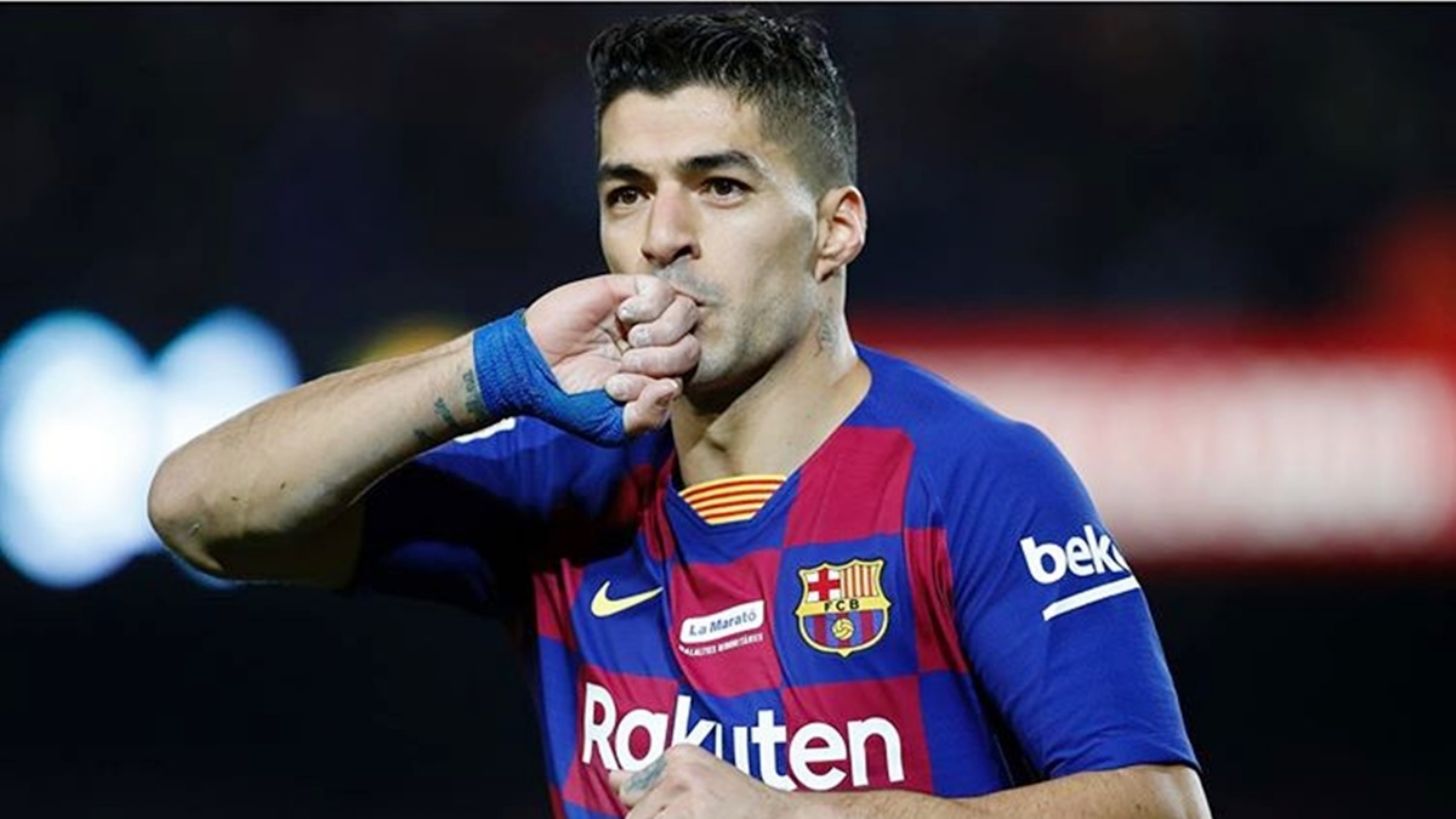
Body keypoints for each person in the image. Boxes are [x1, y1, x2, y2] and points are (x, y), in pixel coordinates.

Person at [148, 10, 1210, 818]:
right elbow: (196, 512)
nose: (661, 236)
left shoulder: (971, 475)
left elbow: (1159, 806)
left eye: (719, 186)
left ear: (835, 229)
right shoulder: (559, 488)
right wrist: (492, 365)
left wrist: (797, 818)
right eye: (626, 193)